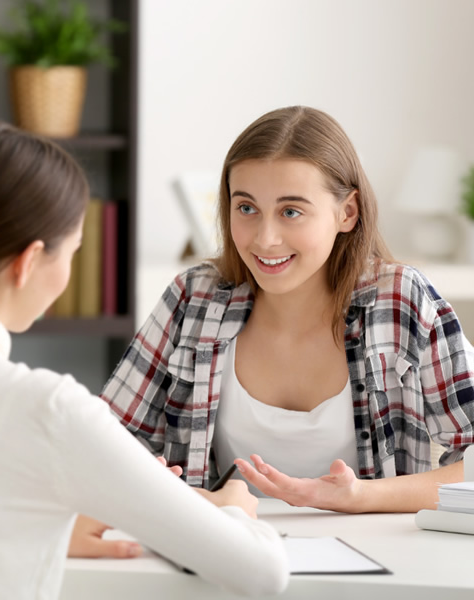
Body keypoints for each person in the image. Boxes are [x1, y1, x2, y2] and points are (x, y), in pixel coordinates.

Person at [0, 123, 289, 599]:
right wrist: (234, 506)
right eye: (72, 252)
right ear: (29, 262)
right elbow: (263, 572)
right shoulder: (46, 410)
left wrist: (56, 519)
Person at [102, 105, 474, 514]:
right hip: (228, 559)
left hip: (380, 562)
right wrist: (184, 496)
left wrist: (360, 497)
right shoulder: (194, 299)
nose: (265, 238)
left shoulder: (401, 299)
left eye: (291, 211)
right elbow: (103, 446)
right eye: (246, 208)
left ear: (346, 213)